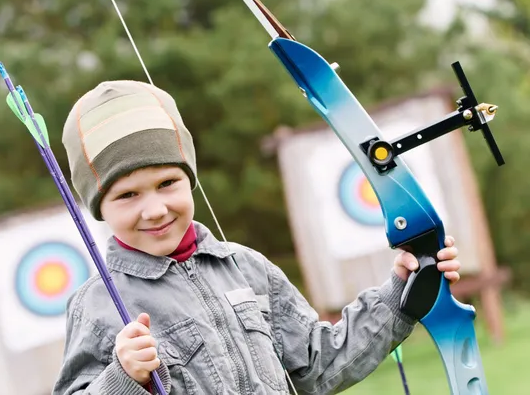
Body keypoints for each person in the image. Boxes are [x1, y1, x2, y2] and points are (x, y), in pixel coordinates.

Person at [52, 80, 461, 395]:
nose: (155, 208)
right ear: (99, 208)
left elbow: (319, 366)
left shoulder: (245, 267)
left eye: (167, 183)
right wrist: (122, 378)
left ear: (189, 180)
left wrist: (403, 295)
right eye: (127, 195)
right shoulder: (98, 305)